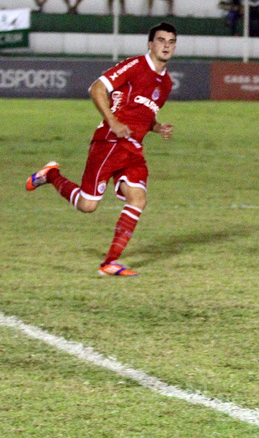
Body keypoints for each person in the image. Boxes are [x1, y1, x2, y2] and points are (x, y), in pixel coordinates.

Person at [25, 22, 177, 278]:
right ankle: (51, 175)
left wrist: (157, 127)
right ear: (150, 44)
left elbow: (142, 114)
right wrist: (113, 122)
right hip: (109, 141)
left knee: (138, 198)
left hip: (133, 147)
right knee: (87, 205)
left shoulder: (166, 83)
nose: (166, 46)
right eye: (161, 40)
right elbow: (96, 88)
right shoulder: (135, 65)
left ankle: (110, 262)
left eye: (171, 42)